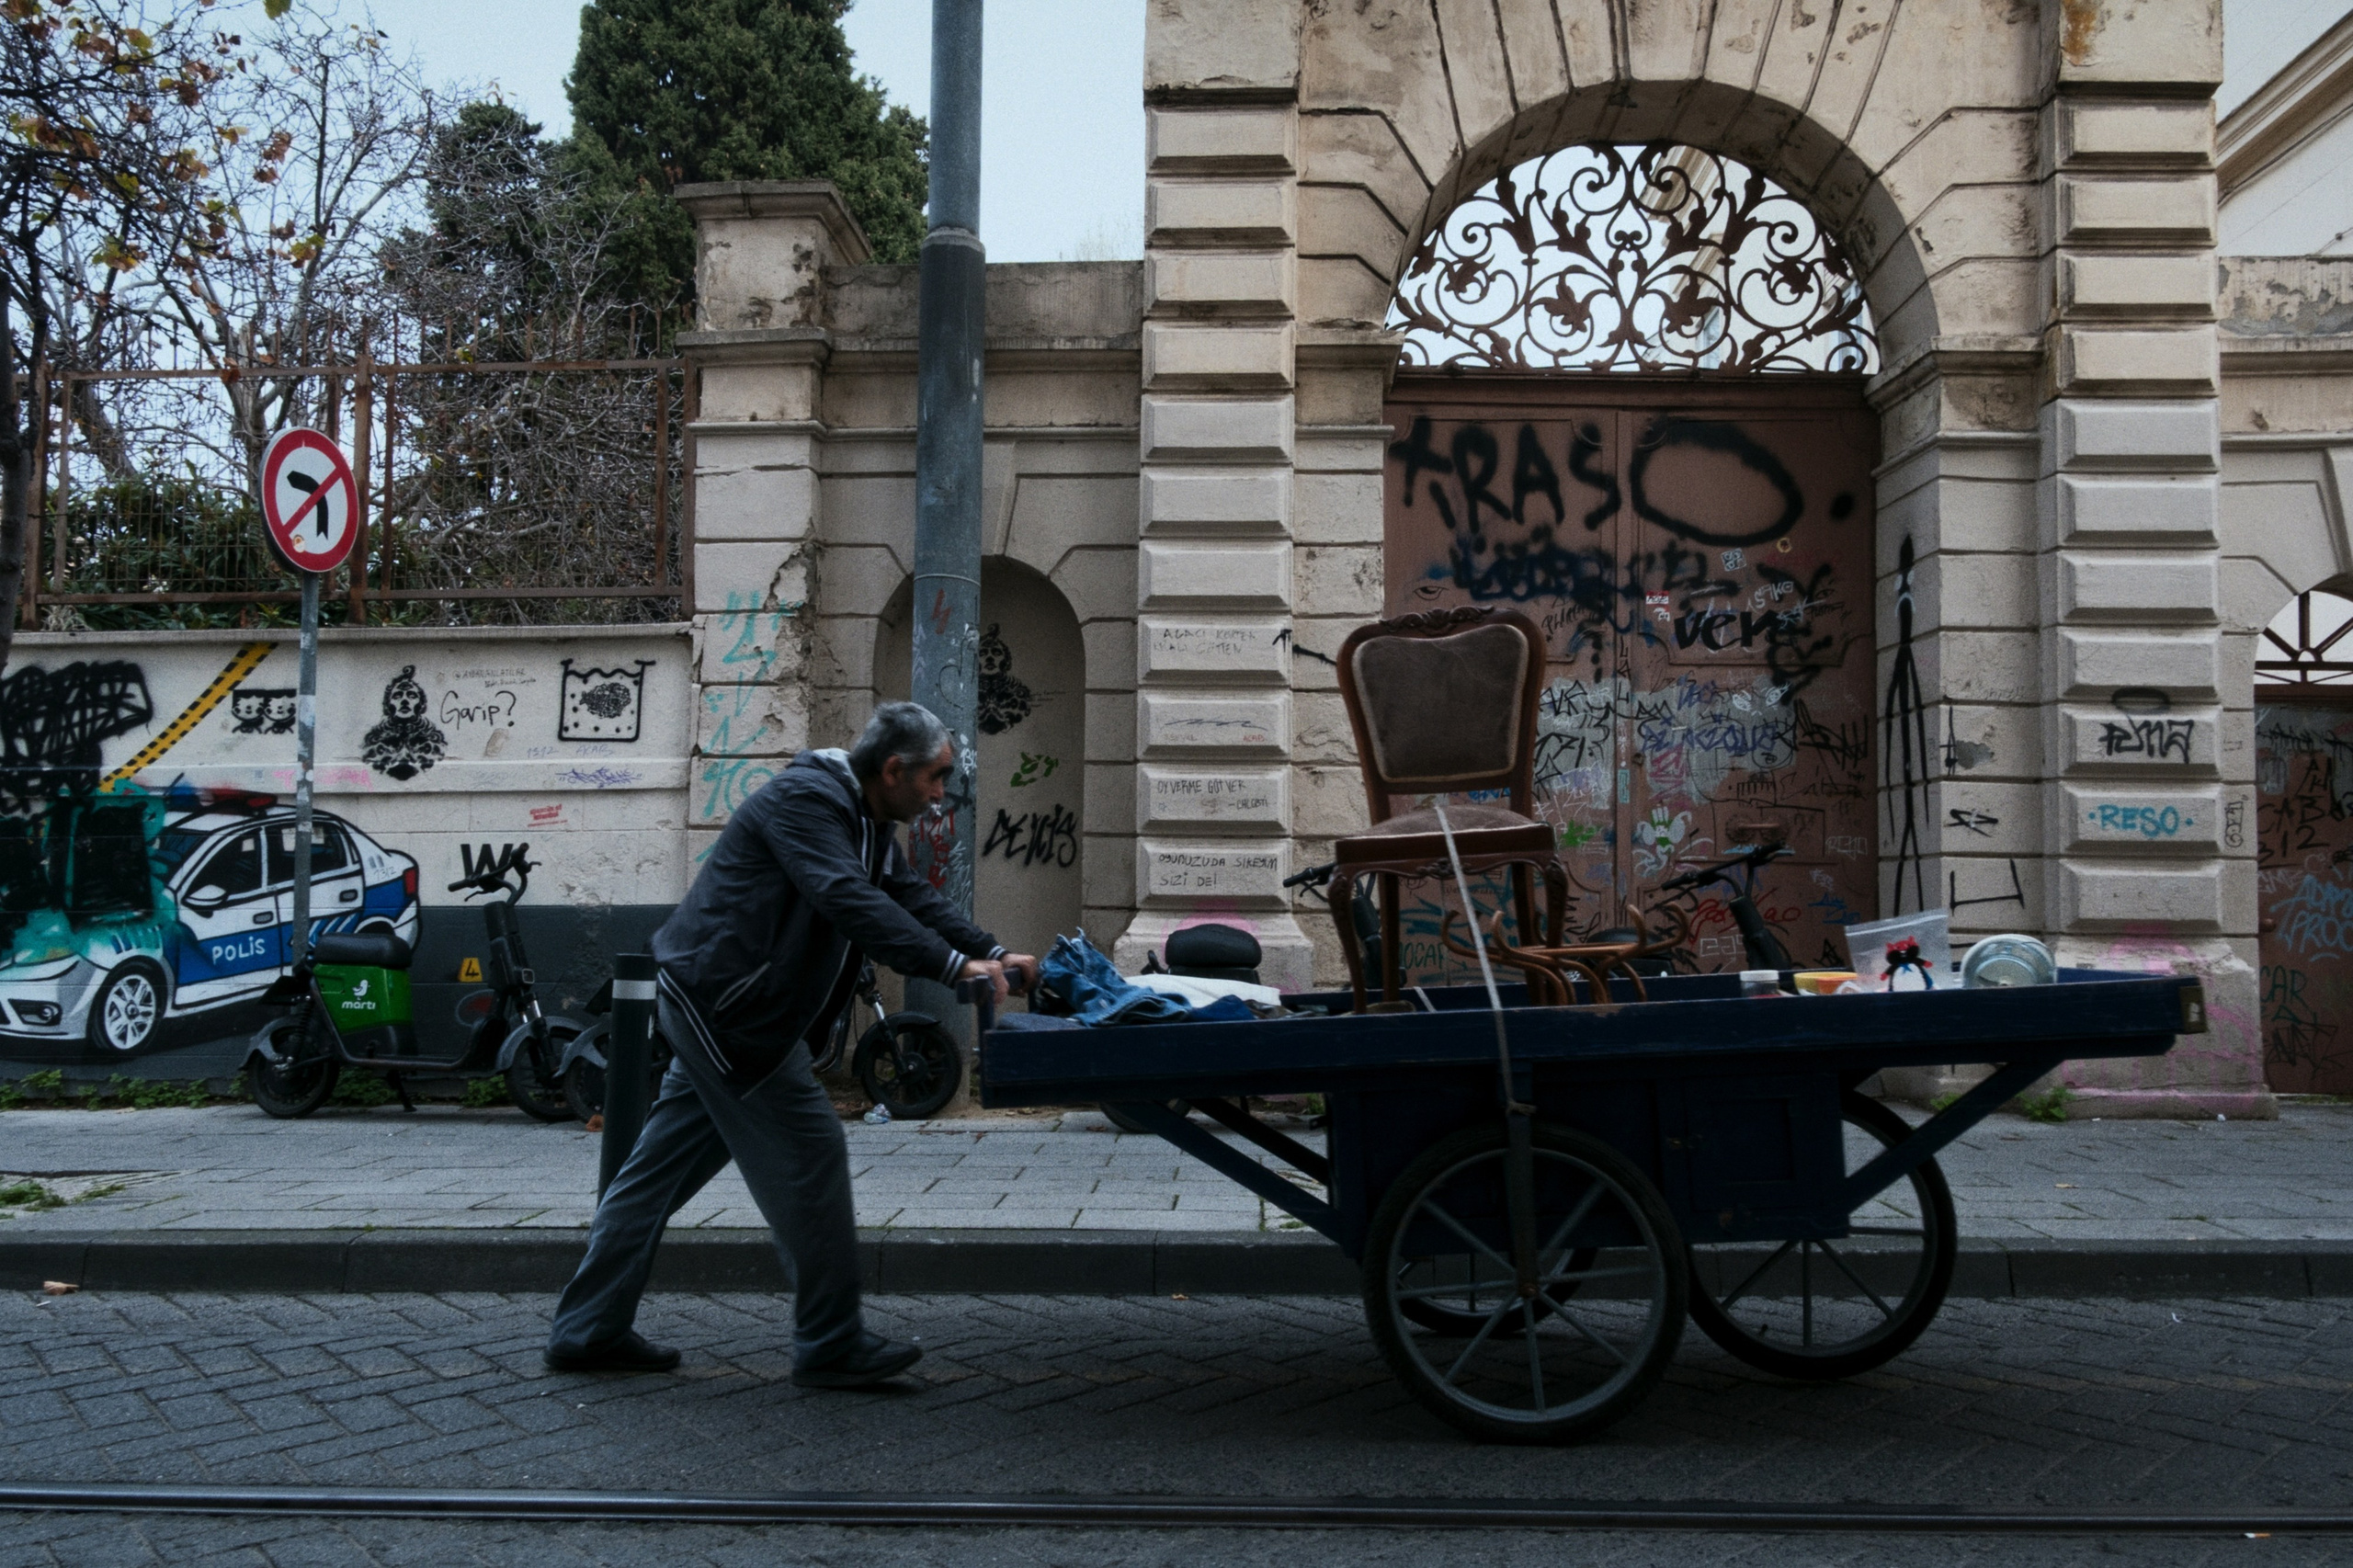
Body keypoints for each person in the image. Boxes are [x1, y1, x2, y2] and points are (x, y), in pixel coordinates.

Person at [544, 702, 1033, 1387]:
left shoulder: (866, 820)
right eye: (935, 777)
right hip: (730, 1015)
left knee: (655, 1176)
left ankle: (587, 1329)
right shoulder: (806, 803)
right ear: (894, 770)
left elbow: (908, 897)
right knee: (811, 1153)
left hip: (721, 1007)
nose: (939, 794)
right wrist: (952, 968)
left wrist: (991, 950)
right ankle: (830, 1343)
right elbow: (845, 897)